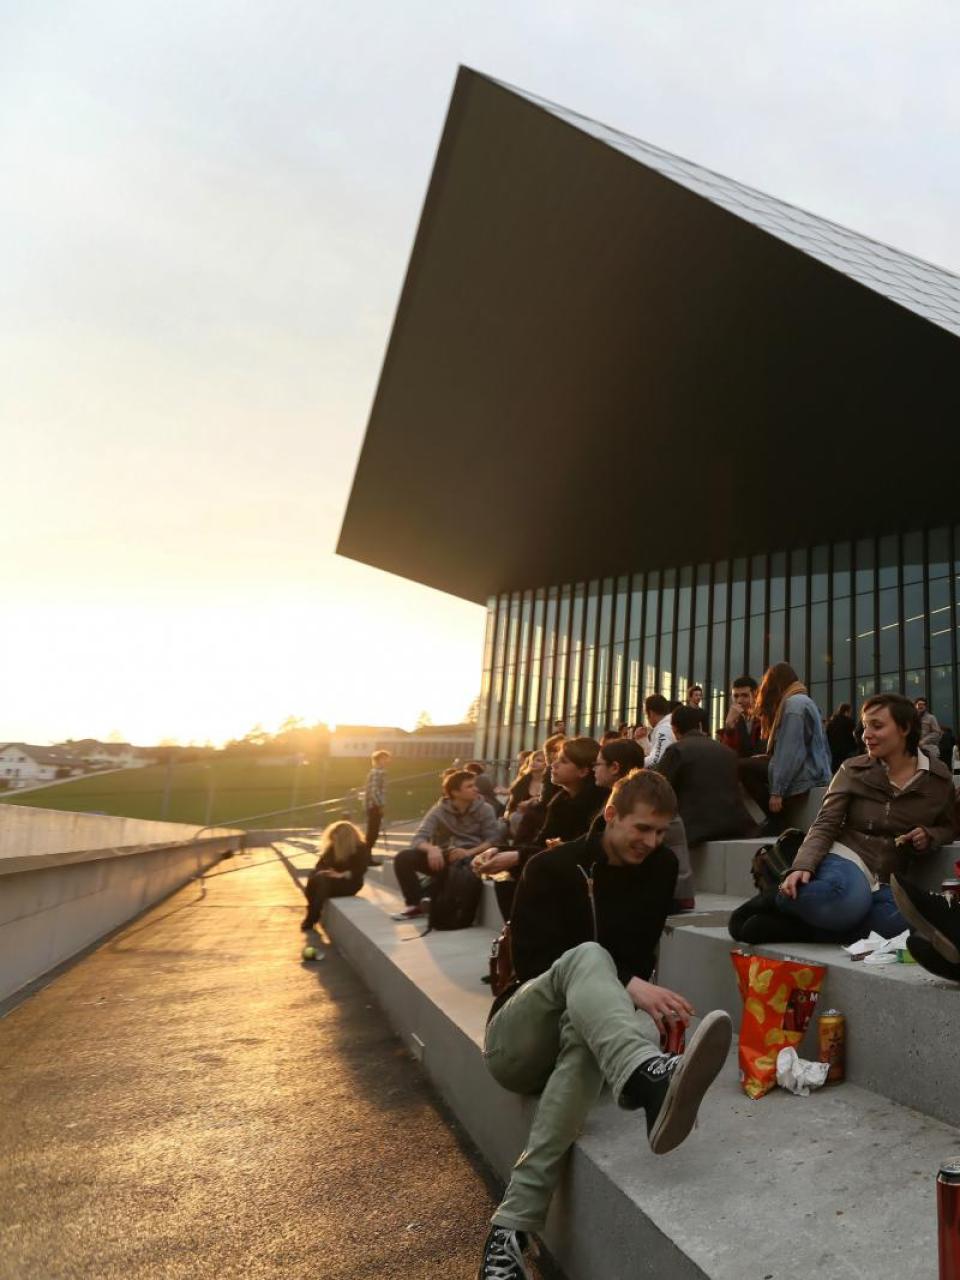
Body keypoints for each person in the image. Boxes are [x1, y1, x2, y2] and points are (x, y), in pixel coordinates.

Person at [476, 769, 733, 1279]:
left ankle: (509, 1234)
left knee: (587, 1041)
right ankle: (645, 1075)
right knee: (586, 958)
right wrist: (626, 982)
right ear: (611, 814)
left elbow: (633, 958)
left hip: (586, 1036)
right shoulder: (552, 867)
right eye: (641, 828)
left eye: (661, 832)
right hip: (518, 1037)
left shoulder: (660, 868)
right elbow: (535, 968)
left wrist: (622, 985)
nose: (652, 842)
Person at [732, 694, 956, 946]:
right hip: (846, 857)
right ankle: (775, 897)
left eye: (877, 726)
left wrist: (929, 834)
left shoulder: (938, 779)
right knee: (847, 903)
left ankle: (795, 929)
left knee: (898, 924)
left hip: (887, 875)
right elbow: (825, 822)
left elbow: (950, 826)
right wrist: (802, 866)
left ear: (904, 728)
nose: (865, 734)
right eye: (865, 726)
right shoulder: (853, 769)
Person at [473, 738, 608, 920]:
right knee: (507, 882)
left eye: (563, 761)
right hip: (560, 870)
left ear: (583, 771)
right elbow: (540, 843)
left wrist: (516, 857)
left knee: (528, 878)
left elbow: (579, 851)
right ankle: (514, 938)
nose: (553, 764)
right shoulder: (560, 801)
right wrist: (498, 851)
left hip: (586, 879)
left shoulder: (599, 804)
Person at [593, 736, 696, 908]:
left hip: (671, 895)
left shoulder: (653, 803)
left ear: (614, 767)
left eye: (598, 764)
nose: (593, 769)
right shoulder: (620, 801)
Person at [391, 769, 501, 920]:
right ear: (455, 792)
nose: (476, 788)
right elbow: (418, 839)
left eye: (474, 785)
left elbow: (492, 840)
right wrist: (432, 849)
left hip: (473, 857)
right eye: (469, 786)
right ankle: (415, 905)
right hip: (446, 856)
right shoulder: (439, 810)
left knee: (458, 862)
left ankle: (432, 898)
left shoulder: (485, 809)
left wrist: (468, 853)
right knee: (404, 857)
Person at [737, 662, 831, 832]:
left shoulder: (793, 706)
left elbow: (791, 752)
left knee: (742, 767)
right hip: (815, 772)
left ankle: (775, 820)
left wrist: (777, 792)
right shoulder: (804, 701)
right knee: (752, 763)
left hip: (805, 776)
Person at [656, 706, 753, 845]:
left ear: (674, 729)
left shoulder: (676, 750)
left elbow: (659, 792)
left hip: (694, 830)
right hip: (735, 826)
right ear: (700, 725)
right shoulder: (727, 752)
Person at [300, 821, 369, 936]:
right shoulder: (332, 848)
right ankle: (313, 912)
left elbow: (360, 870)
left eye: (336, 838)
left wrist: (341, 874)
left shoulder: (361, 848)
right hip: (329, 880)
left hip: (349, 883)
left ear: (345, 838)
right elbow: (319, 865)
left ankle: (312, 916)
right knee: (316, 876)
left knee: (321, 881)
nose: (333, 841)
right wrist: (324, 871)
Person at [720, 675, 764, 759]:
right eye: (736, 696)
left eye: (745, 695)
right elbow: (727, 754)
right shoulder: (734, 720)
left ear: (756, 696)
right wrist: (729, 729)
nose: (739, 701)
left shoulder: (764, 719)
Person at [363, 749, 391, 866]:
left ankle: (366, 858)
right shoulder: (378, 773)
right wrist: (380, 805)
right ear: (378, 760)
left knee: (372, 833)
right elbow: (375, 791)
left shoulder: (375, 772)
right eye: (385, 758)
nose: (387, 761)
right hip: (374, 806)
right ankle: (366, 859)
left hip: (372, 806)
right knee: (372, 834)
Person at [641, 694, 675, 768]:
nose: (647, 718)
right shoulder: (668, 726)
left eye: (646, 714)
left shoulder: (664, 730)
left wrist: (632, 764)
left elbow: (656, 759)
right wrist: (643, 739)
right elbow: (657, 751)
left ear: (651, 713)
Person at [825, 703, 858, 774]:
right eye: (850, 712)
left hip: (833, 751)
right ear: (846, 712)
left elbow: (827, 736)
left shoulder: (831, 722)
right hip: (846, 752)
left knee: (835, 772)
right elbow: (854, 736)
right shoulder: (849, 722)